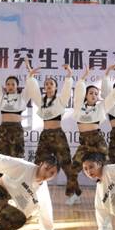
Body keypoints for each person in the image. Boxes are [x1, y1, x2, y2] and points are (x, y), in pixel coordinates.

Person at [68, 66, 115, 205]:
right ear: (86, 95)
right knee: (73, 169)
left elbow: (112, 98)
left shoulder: (101, 108)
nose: (94, 95)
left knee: (107, 168)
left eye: (96, 94)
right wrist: (83, 77)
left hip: (98, 141)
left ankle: (110, 194)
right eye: (91, 93)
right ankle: (75, 194)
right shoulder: (78, 107)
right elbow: (78, 92)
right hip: (84, 143)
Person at [26, 64, 79, 201]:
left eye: (51, 84)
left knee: (66, 164)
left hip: (58, 135)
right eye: (46, 84)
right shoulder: (41, 101)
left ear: (55, 87)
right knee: (38, 163)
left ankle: (74, 194)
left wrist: (69, 75)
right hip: (45, 136)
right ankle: (33, 192)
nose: (48, 86)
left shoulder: (60, 99)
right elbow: (33, 89)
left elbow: (67, 89)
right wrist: (31, 76)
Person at [0, 59, 35, 181]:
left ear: (17, 86)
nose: (10, 86)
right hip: (4, 129)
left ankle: (16, 182)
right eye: (8, 84)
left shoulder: (22, 97)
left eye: (13, 84)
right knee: (0, 156)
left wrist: (30, 72)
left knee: (17, 157)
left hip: (16, 130)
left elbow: (29, 87)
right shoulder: (2, 96)